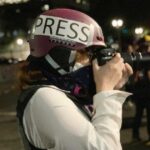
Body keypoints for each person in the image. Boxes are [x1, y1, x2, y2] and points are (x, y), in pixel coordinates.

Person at [16, 8, 133, 150]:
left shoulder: (63, 94)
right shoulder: (44, 97)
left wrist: (111, 89)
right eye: (87, 54)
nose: (93, 63)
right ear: (60, 56)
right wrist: (106, 92)